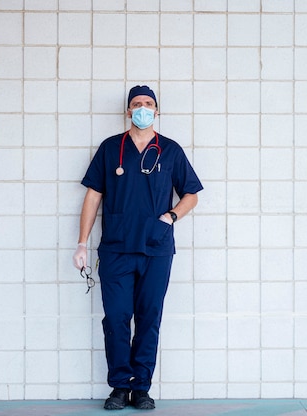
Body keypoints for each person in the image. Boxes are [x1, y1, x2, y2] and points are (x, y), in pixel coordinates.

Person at [72, 85, 203, 410]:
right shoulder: (110, 148)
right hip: (116, 249)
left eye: (148, 104)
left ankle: (141, 387)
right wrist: (81, 244)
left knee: (149, 318)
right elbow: (93, 196)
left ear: (156, 111)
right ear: (128, 111)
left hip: (156, 249)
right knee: (116, 318)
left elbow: (192, 194)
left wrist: (170, 216)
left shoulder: (170, 150)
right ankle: (120, 386)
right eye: (136, 104)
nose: (142, 108)